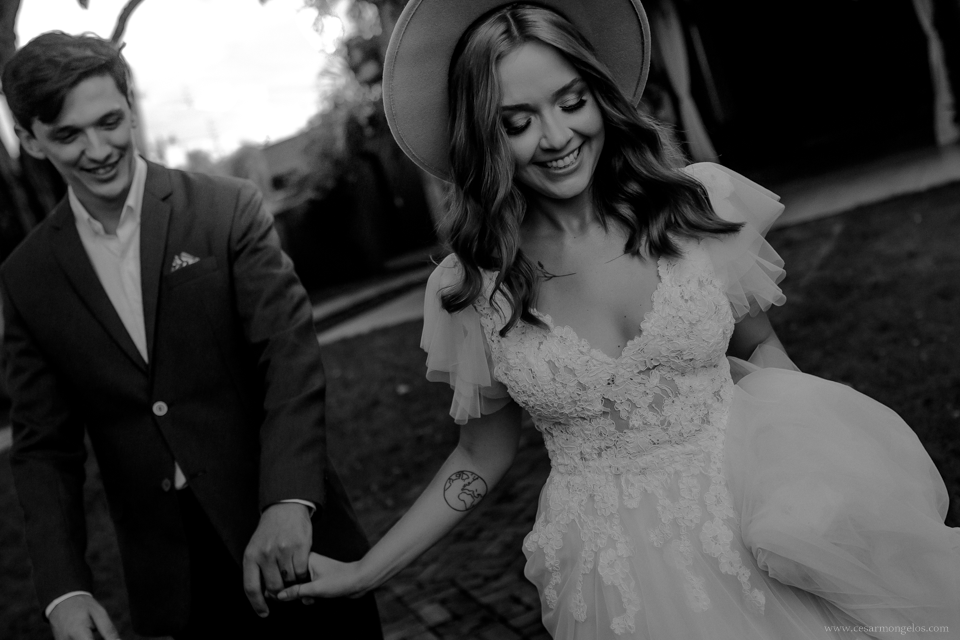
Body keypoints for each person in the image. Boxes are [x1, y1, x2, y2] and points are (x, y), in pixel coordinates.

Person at [278, 1, 960, 638]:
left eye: (571, 102)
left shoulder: (694, 206)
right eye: (516, 122)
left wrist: (813, 483)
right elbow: (480, 453)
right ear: (483, 136)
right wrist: (367, 571)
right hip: (618, 573)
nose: (556, 138)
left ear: (598, 95)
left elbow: (766, 355)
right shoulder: (472, 288)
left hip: (759, 516)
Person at [0, 32, 382, 639]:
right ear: (28, 138)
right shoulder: (26, 278)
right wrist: (64, 591)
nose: (98, 150)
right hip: (175, 585)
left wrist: (287, 499)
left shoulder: (226, 209)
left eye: (109, 122)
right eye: (68, 135)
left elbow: (288, 359)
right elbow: (44, 449)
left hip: (296, 537)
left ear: (130, 106)